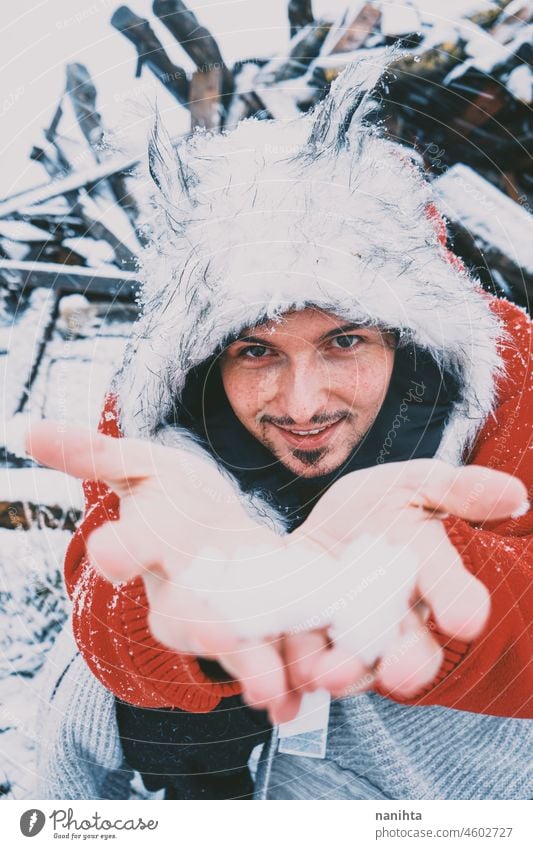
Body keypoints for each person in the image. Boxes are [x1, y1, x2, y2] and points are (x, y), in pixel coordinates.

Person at [28, 61, 532, 800]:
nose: (301, 404)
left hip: (445, 736)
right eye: (256, 350)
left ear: (409, 334)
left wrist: (416, 584)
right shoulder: (158, 395)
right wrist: (183, 622)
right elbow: (105, 612)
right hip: (241, 728)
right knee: (78, 687)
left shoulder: (510, 374)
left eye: (343, 342)